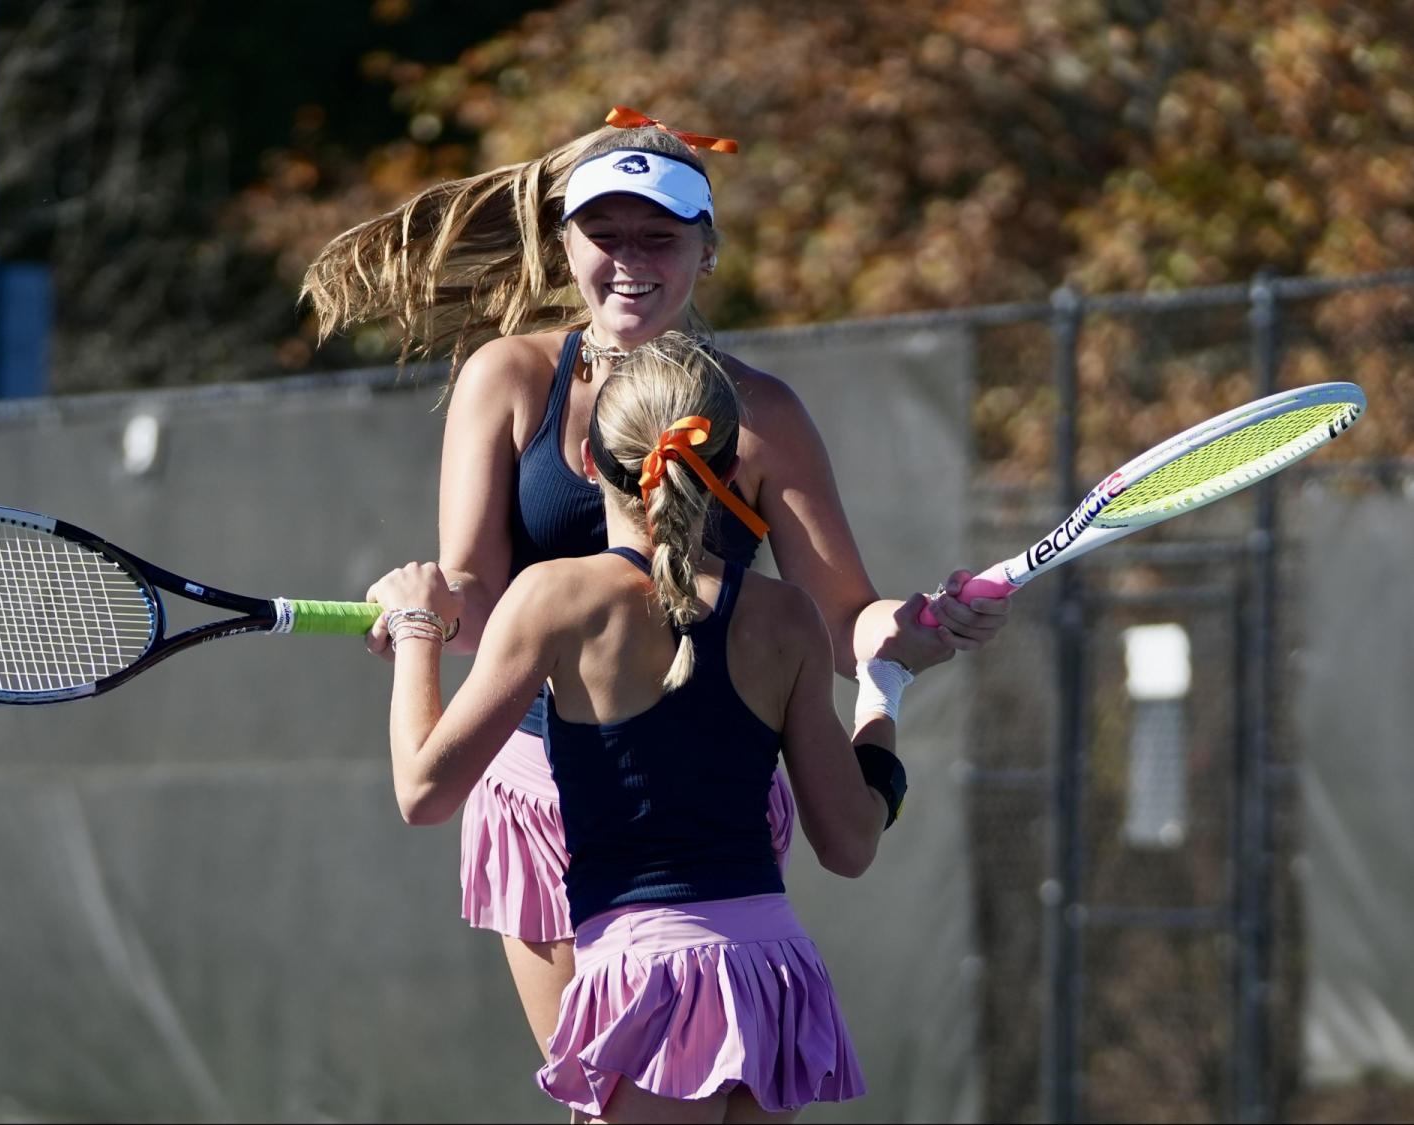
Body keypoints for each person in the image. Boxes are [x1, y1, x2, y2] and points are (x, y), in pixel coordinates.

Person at [305, 105, 1009, 1056]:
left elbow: (847, 621)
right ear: (566, 244)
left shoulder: (763, 411)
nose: (630, 257)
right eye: (606, 232)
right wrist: (429, 615)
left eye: (659, 235)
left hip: (705, 794)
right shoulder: (507, 376)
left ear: (705, 250)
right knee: (598, 1082)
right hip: (539, 790)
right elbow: (477, 599)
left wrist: (913, 625)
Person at [366, 333, 922, 1122]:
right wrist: (884, 695)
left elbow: (423, 789)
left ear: (589, 464)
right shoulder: (788, 619)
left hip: (646, 985)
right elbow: (852, 841)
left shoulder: (552, 598)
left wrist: (417, 628)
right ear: (730, 475)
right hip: (774, 977)